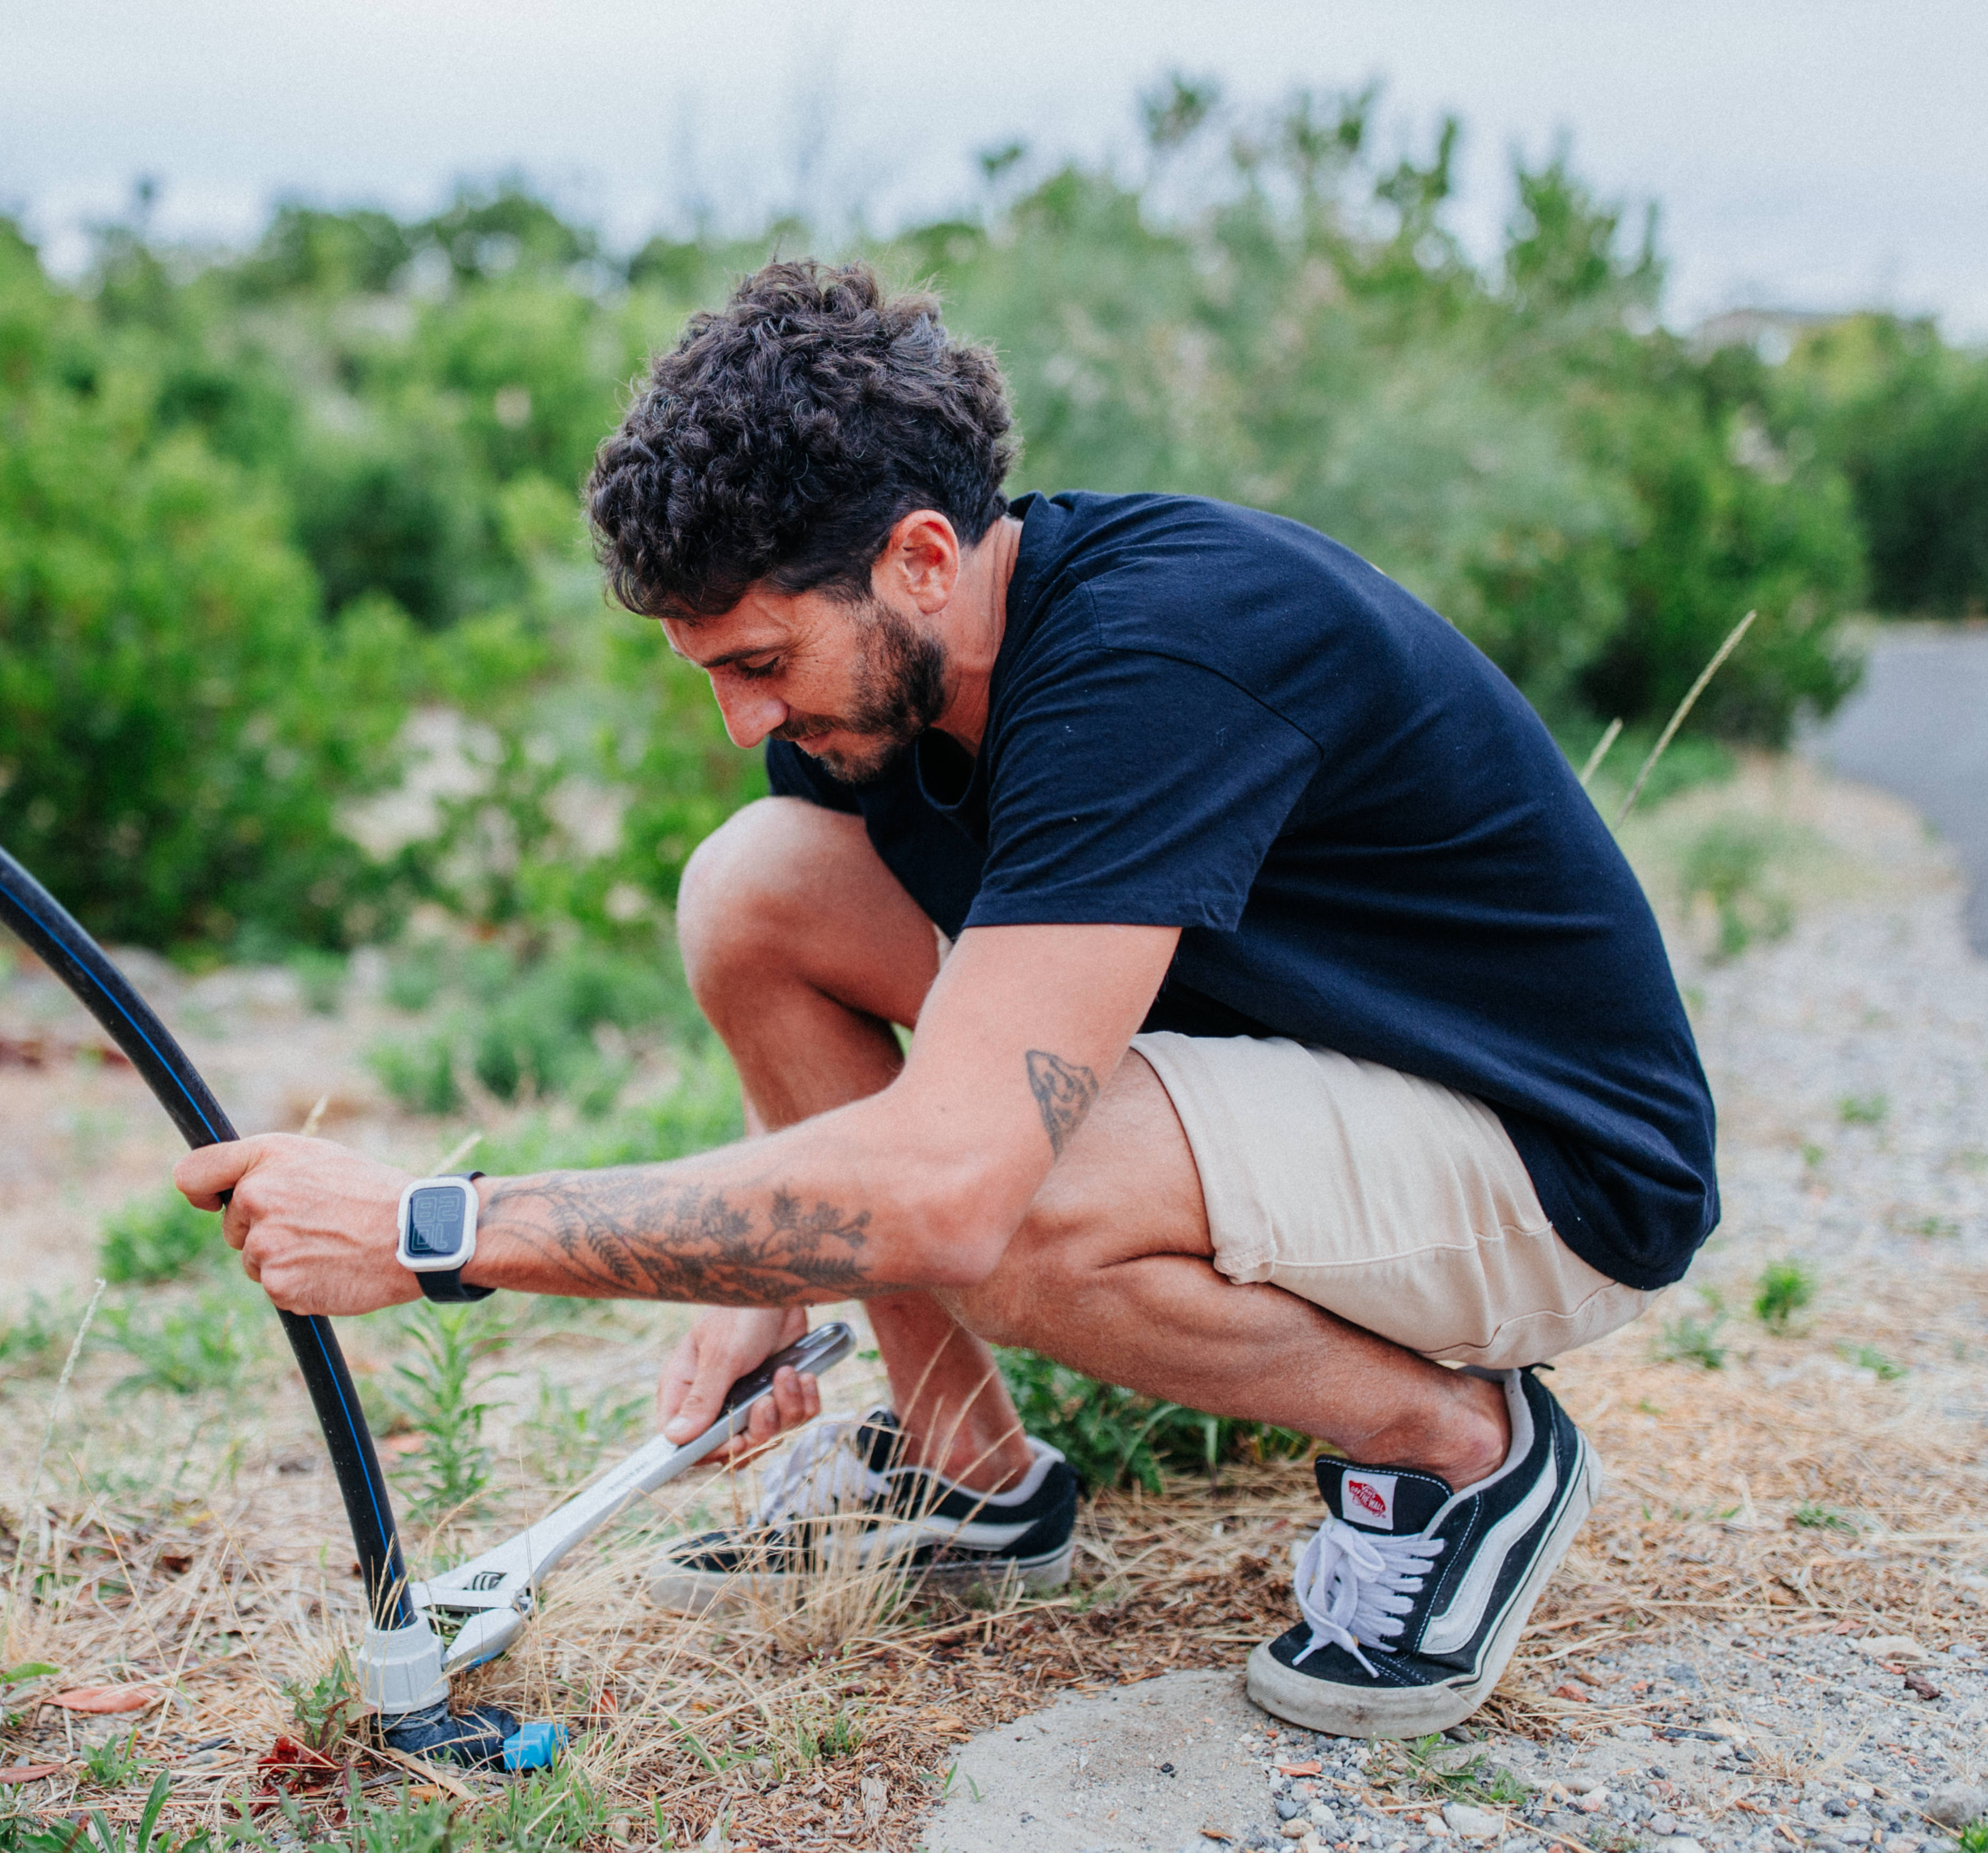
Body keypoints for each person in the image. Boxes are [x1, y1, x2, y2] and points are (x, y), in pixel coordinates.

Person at [174, 260, 1718, 1739]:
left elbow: (954, 1186)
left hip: (1544, 1170)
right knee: (754, 888)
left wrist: (436, 1233)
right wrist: (768, 1288)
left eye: (763, 660)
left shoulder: (1156, 656)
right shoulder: (892, 681)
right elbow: (878, 1057)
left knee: (1003, 1209)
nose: (740, 718)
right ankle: (965, 1477)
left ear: (923, 557)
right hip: (1283, 1064)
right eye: (710, 670)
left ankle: (1457, 1450)